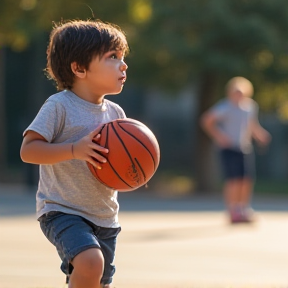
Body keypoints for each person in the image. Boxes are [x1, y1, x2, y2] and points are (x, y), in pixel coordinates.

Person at [20, 19, 129, 288]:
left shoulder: (116, 115)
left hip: (104, 215)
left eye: (123, 57)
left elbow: (122, 164)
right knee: (90, 263)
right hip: (62, 210)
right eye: (113, 57)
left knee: (95, 280)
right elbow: (28, 150)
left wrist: (133, 174)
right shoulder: (59, 106)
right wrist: (74, 150)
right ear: (79, 68)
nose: (123, 64)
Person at [200, 77, 271, 224]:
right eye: (235, 92)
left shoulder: (250, 107)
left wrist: (260, 135)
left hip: (244, 147)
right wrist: (220, 137)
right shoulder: (225, 107)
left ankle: (243, 209)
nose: (238, 95)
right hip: (228, 148)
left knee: (246, 180)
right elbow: (206, 120)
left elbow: (251, 125)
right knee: (233, 180)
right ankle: (232, 211)